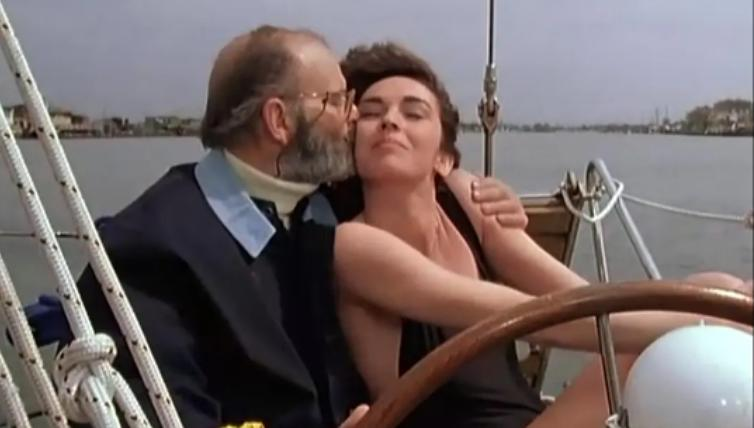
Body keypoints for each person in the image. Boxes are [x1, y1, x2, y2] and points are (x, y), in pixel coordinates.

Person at [74, 26, 525, 428]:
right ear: (279, 121)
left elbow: (414, 179)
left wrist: (477, 192)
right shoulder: (151, 253)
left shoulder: (321, 205)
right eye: (336, 102)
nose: (353, 117)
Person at [325, 42, 753, 428]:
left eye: (414, 113)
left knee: (714, 285)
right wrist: (716, 318)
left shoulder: (468, 201)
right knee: (655, 354)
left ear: (444, 158)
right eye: (372, 113)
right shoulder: (354, 245)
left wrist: (722, 301)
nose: (390, 122)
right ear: (351, 142)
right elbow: (546, 320)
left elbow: (578, 296)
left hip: (534, 419)